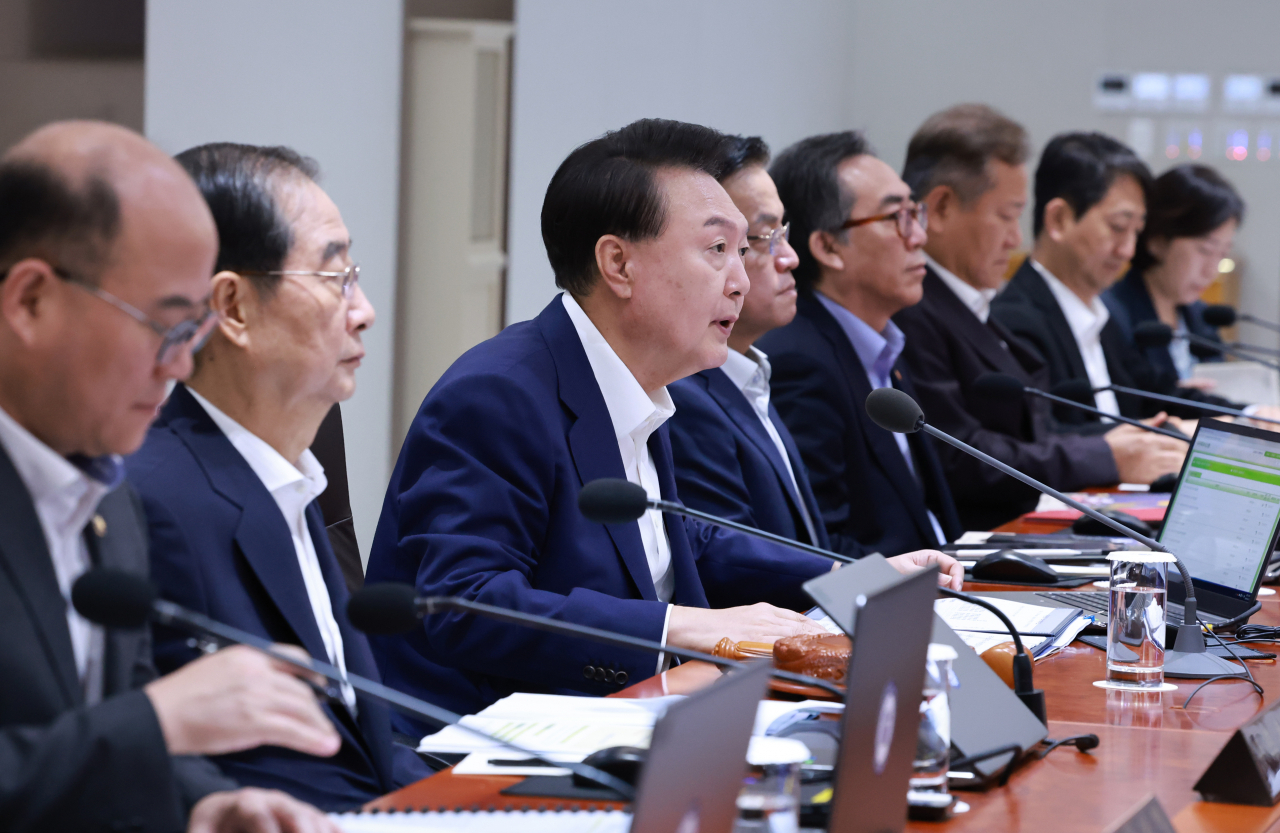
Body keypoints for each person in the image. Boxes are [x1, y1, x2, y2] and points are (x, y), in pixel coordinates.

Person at [364, 119, 961, 723]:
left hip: (646, 720)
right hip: (487, 754)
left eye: (741, 250)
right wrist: (684, 628)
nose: (741, 279)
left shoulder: (641, 377)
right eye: (718, 250)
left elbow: (681, 542)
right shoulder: (498, 394)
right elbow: (463, 603)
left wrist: (849, 576)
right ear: (618, 264)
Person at [0, 122, 342, 832]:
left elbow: (102, 726)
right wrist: (160, 721)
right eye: (163, 326)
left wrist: (204, 803)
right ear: (31, 301)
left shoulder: (110, 499)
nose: (180, 365)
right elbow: (129, 724)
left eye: (193, 333)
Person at [126, 143, 429, 810]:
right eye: (335, 277)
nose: (364, 309)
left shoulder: (283, 471)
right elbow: (169, 767)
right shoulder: (152, 502)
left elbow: (360, 744)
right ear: (232, 307)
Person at [894, 105, 1185, 528]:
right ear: (940, 208)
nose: (1016, 239)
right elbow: (959, 456)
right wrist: (1107, 454)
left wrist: (1127, 441)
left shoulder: (969, 304)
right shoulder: (915, 311)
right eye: (1006, 216)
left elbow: (1034, 434)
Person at [758, 131, 963, 555]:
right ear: (829, 246)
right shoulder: (801, 363)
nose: (919, 236)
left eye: (915, 213)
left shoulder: (883, 346)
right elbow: (819, 545)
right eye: (896, 218)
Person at [990, 133, 1215, 431]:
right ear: (1059, 220)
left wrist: (1250, 415)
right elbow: (1045, 440)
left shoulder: (1102, 315)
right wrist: (1159, 435)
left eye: (1137, 231)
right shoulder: (1014, 322)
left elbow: (1156, 394)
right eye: (1118, 227)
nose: (1128, 250)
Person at [667, 135, 828, 550]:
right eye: (763, 238)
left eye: (783, 232)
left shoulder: (751, 371)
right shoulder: (683, 395)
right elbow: (726, 556)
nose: (790, 258)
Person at [1103, 164, 1242, 383]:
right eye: (1205, 250)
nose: (1211, 270)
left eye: (1222, 253)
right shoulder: (1113, 316)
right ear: (1157, 239)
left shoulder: (1202, 318)